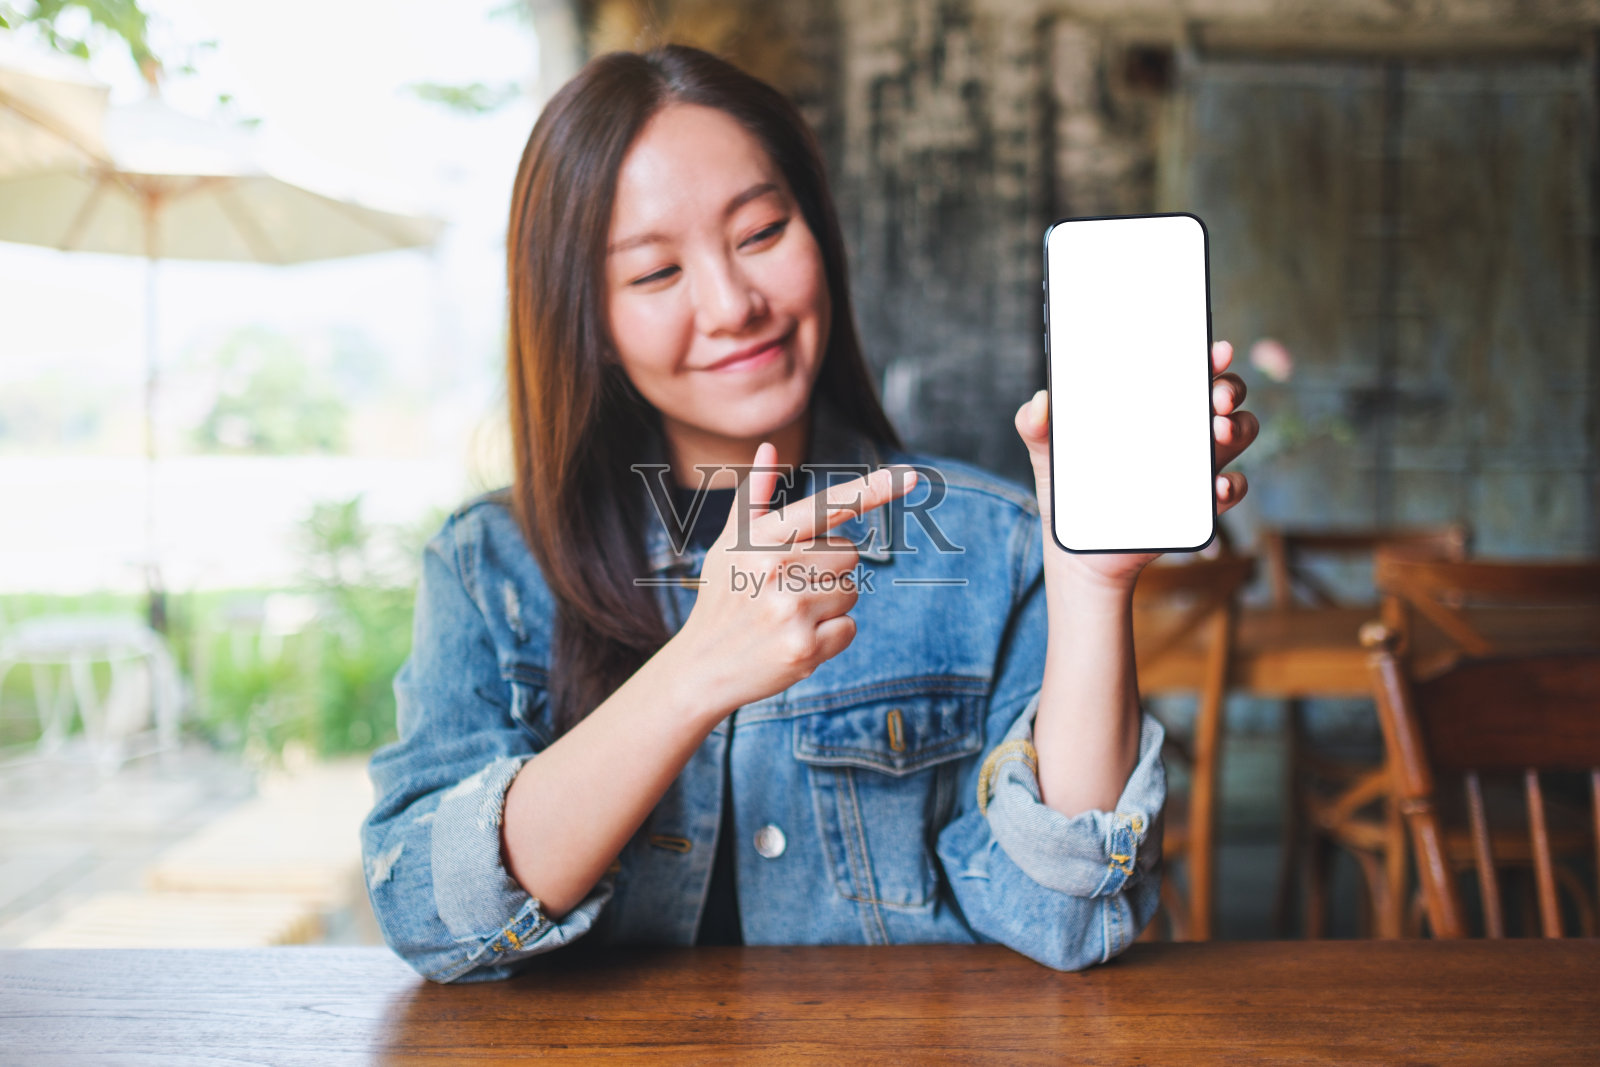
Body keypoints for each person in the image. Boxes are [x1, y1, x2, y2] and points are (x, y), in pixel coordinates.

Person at [360, 44, 1258, 984]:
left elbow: (1066, 916)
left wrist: (1090, 584)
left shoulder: (994, 543)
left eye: (760, 232)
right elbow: (427, 913)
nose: (732, 304)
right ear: (590, 321)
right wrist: (695, 673)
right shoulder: (490, 566)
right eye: (656, 273)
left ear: (819, 233)